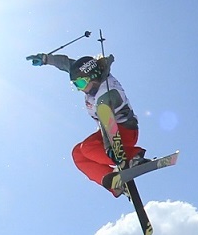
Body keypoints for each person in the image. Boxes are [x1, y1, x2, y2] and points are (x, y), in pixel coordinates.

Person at [27, 51, 146, 195]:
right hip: (108, 131)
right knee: (78, 153)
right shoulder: (90, 76)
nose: (80, 89)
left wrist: (111, 147)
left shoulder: (107, 93)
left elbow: (106, 119)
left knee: (88, 147)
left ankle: (133, 158)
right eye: (75, 85)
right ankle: (114, 182)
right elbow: (67, 64)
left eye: (81, 83)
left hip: (124, 131)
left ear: (93, 77)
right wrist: (47, 59)